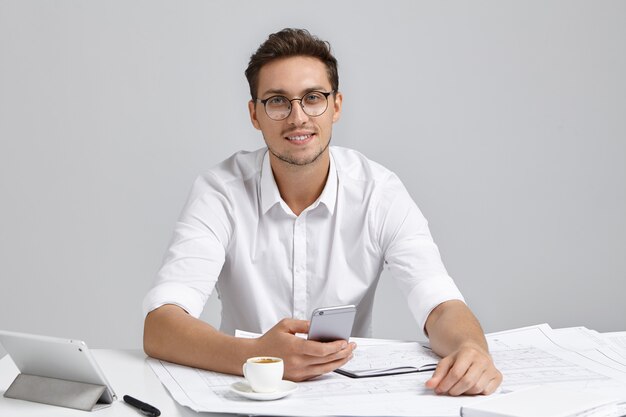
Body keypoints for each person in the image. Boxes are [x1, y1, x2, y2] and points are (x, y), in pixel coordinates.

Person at [143, 28, 502, 396]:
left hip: (346, 397)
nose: (298, 117)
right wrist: (256, 356)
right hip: (244, 396)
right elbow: (161, 324)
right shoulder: (220, 192)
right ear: (255, 114)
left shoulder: (379, 192)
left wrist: (470, 348)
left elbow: (440, 306)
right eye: (278, 101)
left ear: (336, 106)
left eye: (313, 98)